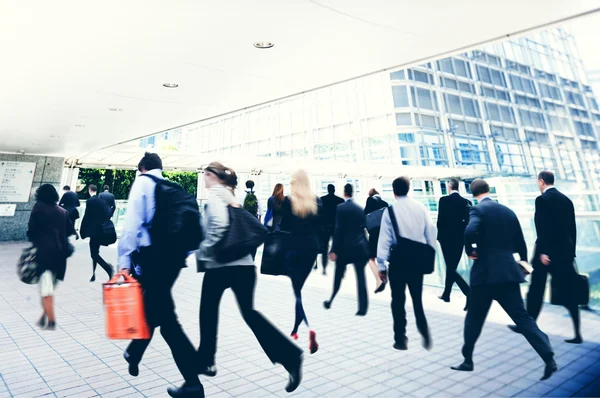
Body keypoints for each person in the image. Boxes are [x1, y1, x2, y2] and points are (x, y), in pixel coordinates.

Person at [196, 162, 303, 394]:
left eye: (206, 173)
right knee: (250, 314)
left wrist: (204, 253)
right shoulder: (234, 197)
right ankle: (291, 357)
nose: (203, 178)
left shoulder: (215, 196)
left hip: (221, 265)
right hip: (244, 265)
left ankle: (206, 360)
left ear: (215, 176)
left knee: (207, 310)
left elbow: (219, 226)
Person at [451, 179, 557, 381]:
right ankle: (548, 357)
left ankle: (467, 361)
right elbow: (520, 241)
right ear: (488, 190)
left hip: (484, 276)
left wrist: (471, 250)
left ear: (473, 193)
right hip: (508, 274)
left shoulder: (477, 210)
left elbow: (469, 231)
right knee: (522, 318)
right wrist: (523, 262)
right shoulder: (507, 211)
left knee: (474, 319)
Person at [119, 152, 204, 398]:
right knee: (155, 311)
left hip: (152, 260)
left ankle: (193, 382)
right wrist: (179, 256)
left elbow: (132, 225)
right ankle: (134, 352)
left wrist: (124, 262)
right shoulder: (175, 188)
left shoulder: (144, 182)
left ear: (142, 168)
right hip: (174, 260)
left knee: (167, 321)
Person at [509, 171, 582, 344]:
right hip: (564, 255)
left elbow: (543, 229)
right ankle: (577, 333)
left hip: (546, 255)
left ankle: (526, 325)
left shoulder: (542, 200)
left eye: (537, 181)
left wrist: (543, 252)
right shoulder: (566, 200)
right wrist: (571, 253)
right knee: (569, 292)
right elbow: (572, 229)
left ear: (541, 181)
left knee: (536, 289)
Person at [377, 177, 434, 351]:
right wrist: (429, 252)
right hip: (417, 260)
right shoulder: (421, 207)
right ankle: (424, 332)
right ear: (409, 189)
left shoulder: (390, 211)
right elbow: (431, 232)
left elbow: (384, 240)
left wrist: (381, 266)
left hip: (398, 261)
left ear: (393, 192)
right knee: (417, 298)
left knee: (398, 300)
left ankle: (400, 339)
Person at [280, 169, 321, 353]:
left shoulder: (289, 201)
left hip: (292, 247)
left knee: (297, 292)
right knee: (298, 290)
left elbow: (284, 225)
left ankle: (308, 328)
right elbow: (322, 226)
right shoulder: (316, 200)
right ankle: (296, 329)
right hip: (311, 249)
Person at [28, 184, 75, 331]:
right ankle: (43, 316)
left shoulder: (38, 209)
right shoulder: (63, 212)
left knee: (46, 290)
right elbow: (69, 232)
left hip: (44, 256)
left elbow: (31, 232)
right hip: (60, 257)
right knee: (48, 287)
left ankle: (52, 320)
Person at [324, 184, 369, 315]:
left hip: (344, 249)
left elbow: (338, 230)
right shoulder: (359, 209)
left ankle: (330, 300)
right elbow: (363, 229)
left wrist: (333, 249)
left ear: (345, 193)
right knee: (361, 278)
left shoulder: (341, 208)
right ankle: (362, 308)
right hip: (360, 248)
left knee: (338, 276)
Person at [437, 178, 471, 309]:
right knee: (452, 266)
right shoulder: (466, 202)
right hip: (460, 240)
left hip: (446, 239)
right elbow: (468, 223)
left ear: (449, 187)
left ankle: (468, 292)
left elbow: (440, 220)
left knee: (450, 268)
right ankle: (446, 294)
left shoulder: (443, 200)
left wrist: (439, 236)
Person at [80, 184, 114, 282]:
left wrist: (82, 231)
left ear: (89, 190)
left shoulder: (90, 201)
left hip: (94, 232)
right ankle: (93, 274)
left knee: (94, 254)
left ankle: (108, 268)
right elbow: (108, 213)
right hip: (102, 231)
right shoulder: (102, 201)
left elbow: (86, 217)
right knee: (95, 252)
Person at [364, 188, 389, 293]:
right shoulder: (385, 203)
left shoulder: (370, 200)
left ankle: (379, 279)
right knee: (384, 255)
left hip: (374, 233)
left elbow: (364, 214)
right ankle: (383, 271)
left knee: (370, 258)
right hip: (386, 233)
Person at [317, 184, 344, 274]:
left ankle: (324, 268)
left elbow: (319, 214)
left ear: (327, 190)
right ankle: (340, 268)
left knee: (324, 247)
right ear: (334, 189)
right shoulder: (340, 201)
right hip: (337, 227)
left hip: (325, 227)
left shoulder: (322, 200)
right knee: (338, 247)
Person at [242, 180, 262, 259]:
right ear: (253, 185)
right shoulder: (257, 195)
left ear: (245, 185)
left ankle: (244, 256)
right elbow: (260, 210)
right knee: (254, 238)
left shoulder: (241, 195)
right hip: (254, 219)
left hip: (244, 219)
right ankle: (252, 257)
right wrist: (259, 221)